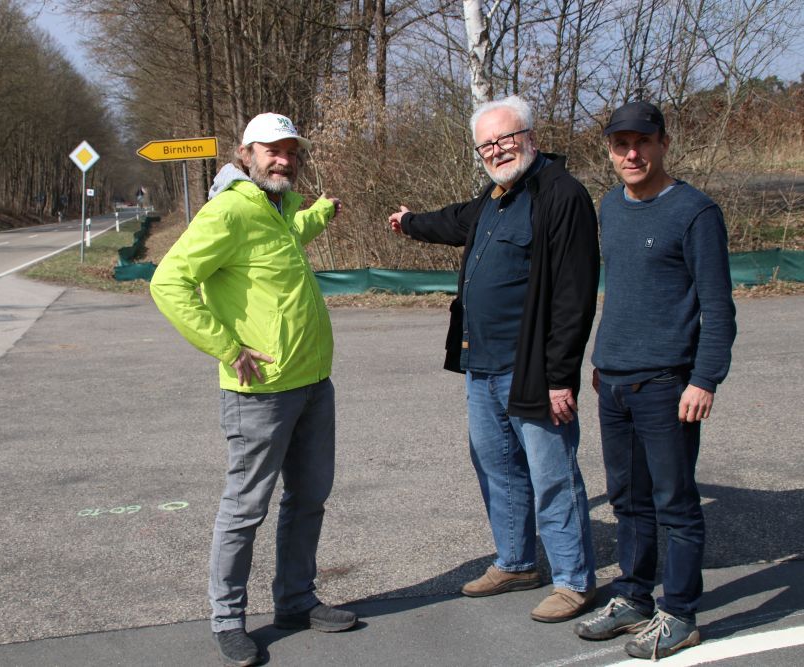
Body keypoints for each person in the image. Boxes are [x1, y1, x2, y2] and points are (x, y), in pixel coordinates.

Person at [150, 112, 355, 667]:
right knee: (246, 508)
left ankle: (295, 600)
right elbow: (168, 282)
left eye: (290, 150)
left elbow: (288, 239)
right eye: (272, 150)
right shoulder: (230, 210)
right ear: (246, 153)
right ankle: (227, 619)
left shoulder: (279, 206)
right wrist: (226, 346)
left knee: (309, 498)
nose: (283, 158)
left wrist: (320, 213)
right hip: (259, 391)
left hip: (314, 382)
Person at [389, 95, 600, 623]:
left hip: (531, 369)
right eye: (486, 144)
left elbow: (574, 294)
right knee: (497, 468)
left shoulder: (560, 195)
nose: (496, 150)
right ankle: (516, 562)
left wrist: (559, 376)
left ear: (530, 135)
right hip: (481, 366)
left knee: (552, 474)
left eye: (505, 138)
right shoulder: (495, 196)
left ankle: (574, 580)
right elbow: (454, 221)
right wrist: (410, 221)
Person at [574, 101, 737, 660]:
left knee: (675, 502)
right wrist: (604, 359)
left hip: (668, 385)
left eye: (642, 142)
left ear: (664, 143)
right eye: (620, 144)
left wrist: (705, 379)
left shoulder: (695, 212)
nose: (631, 153)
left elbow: (719, 307)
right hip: (614, 380)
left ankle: (681, 613)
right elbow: (622, 290)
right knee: (627, 499)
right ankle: (634, 598)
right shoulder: (610, 207)